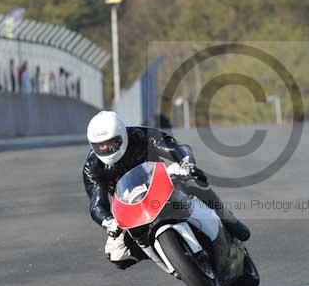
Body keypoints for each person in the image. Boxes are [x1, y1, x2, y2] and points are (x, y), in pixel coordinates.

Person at [83, 111, 251, 270]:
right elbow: (96, 204)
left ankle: (227, 218)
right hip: (129, 200)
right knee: (117, 255)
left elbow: (173, 147)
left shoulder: (140, 135)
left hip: (159, 178)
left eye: (111, 142)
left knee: (194, 179)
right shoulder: (92, 166)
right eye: (100, 146)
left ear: (123, 135)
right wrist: (108, 222)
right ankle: (168, 255)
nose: (106, 148)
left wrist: (187, 163)